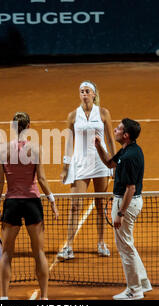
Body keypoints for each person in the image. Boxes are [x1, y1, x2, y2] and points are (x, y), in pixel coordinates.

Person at [0, 112, 59, 300]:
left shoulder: (3, 151)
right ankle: (45, 297)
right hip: (32, 203)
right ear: (28, 126)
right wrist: (52, 202)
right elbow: (42, 179)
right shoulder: (35, 149)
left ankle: (4, 298)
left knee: (6, 253)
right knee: (39, 252)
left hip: (12, 203)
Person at [58, 80, 116, 260]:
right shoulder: (73, 116)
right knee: (75, 206)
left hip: (101, 164)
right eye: (81, 91)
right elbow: (69, 142)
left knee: (100, 206)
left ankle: (101, 243)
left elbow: (111, 141)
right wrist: (66, 166)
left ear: (94, 94)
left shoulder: (104, 113)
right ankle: (68, 246)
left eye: (87, 91)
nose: (84, 94)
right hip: (80, 164)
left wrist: (115, 164)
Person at [95, 118, 152, 300]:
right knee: (128, 245)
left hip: (126, 204)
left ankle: (134, 290)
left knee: (125, 248)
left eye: (118, 129)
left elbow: (130, 188)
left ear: (126, 135)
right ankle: (142, 283)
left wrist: (120, 213)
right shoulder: (130, 149)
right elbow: (110, 164)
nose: (115, 131)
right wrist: (98, 146)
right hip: (130, 202)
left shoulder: (128, 158)